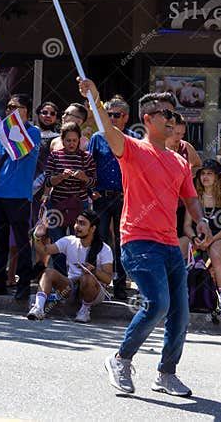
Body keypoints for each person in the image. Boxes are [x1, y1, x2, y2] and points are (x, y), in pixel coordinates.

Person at [78, 76, 211, 398]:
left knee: (180, 313)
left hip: (169, 244)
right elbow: (107, 131)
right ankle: (120, 358)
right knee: (158, 304)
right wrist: (95, 98)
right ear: (149, 119)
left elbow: (190, 196)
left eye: (174, 115)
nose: (173, 120)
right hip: (139, 241)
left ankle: (166, 374)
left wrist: (200, 220)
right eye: (167, 114)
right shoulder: (132, 148)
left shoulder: (179, 161)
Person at [0, 94, 41, 300]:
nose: (8, 110)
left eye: (14, 107)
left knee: (21, 243)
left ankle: (23, 285)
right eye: (7, 107)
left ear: (25, 109)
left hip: (19, 196)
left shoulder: (33, 132)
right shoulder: (4, 131)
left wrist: (7, 131)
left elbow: (20, 151)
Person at [88, 95, 138, 301]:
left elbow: (137, 168)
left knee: (122, 243)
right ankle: (94, 285)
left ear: (125, 117)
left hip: (124, 198)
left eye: (116, 115)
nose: (112, 118)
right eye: (109, 115)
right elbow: (89, 166)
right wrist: (91, 190)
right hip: (101, 197)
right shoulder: (97, 137)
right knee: (97, 240)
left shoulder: (133, 137)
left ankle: (120, 286)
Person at [28, 210, 113, 323]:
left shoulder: (105, 249)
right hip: (71, 287)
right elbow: (44, 251)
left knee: (86, 278)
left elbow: (108, 279)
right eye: (77, 222)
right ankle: (38, 308)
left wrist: (93, 270)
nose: (77, 226)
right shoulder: (69, 241)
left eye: (82, 223)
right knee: (48, 272)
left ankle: (84, 310)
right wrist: (37, 237)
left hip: (94, 291)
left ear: (92, 228)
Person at [184, 159, 221, 317]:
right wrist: (194, 239)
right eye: (203, 174)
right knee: (178, 247)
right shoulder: (194, 196)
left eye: (210, 174)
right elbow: (186, 225)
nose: (205, 177)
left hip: (218, 237)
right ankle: (176, 297)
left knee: (216, 253)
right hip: (196, 236)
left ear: (217, 177)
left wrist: (211, 240)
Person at [45, 122, 96, 275]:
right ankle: (60, 280)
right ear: (62, 140)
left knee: (79, 244)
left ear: (79, 140)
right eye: (68, 140)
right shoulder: (55, 155)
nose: (71, 143)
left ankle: (77, 279)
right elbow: (47, 180)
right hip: (57, 206)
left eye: (74, 140)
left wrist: (84, 178)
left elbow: (94, 182)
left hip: (80, 206)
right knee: (58, 245)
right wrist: (61, 177)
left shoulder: (86, 157)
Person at [166, 113, 202, 257]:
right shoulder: (157, 148)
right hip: (161, 207)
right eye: (176, 133)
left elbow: (198, 166)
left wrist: (187, 175)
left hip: (181, 205)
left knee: (180, 242)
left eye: (182, 133)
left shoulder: (185, 147)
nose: (179, 137)